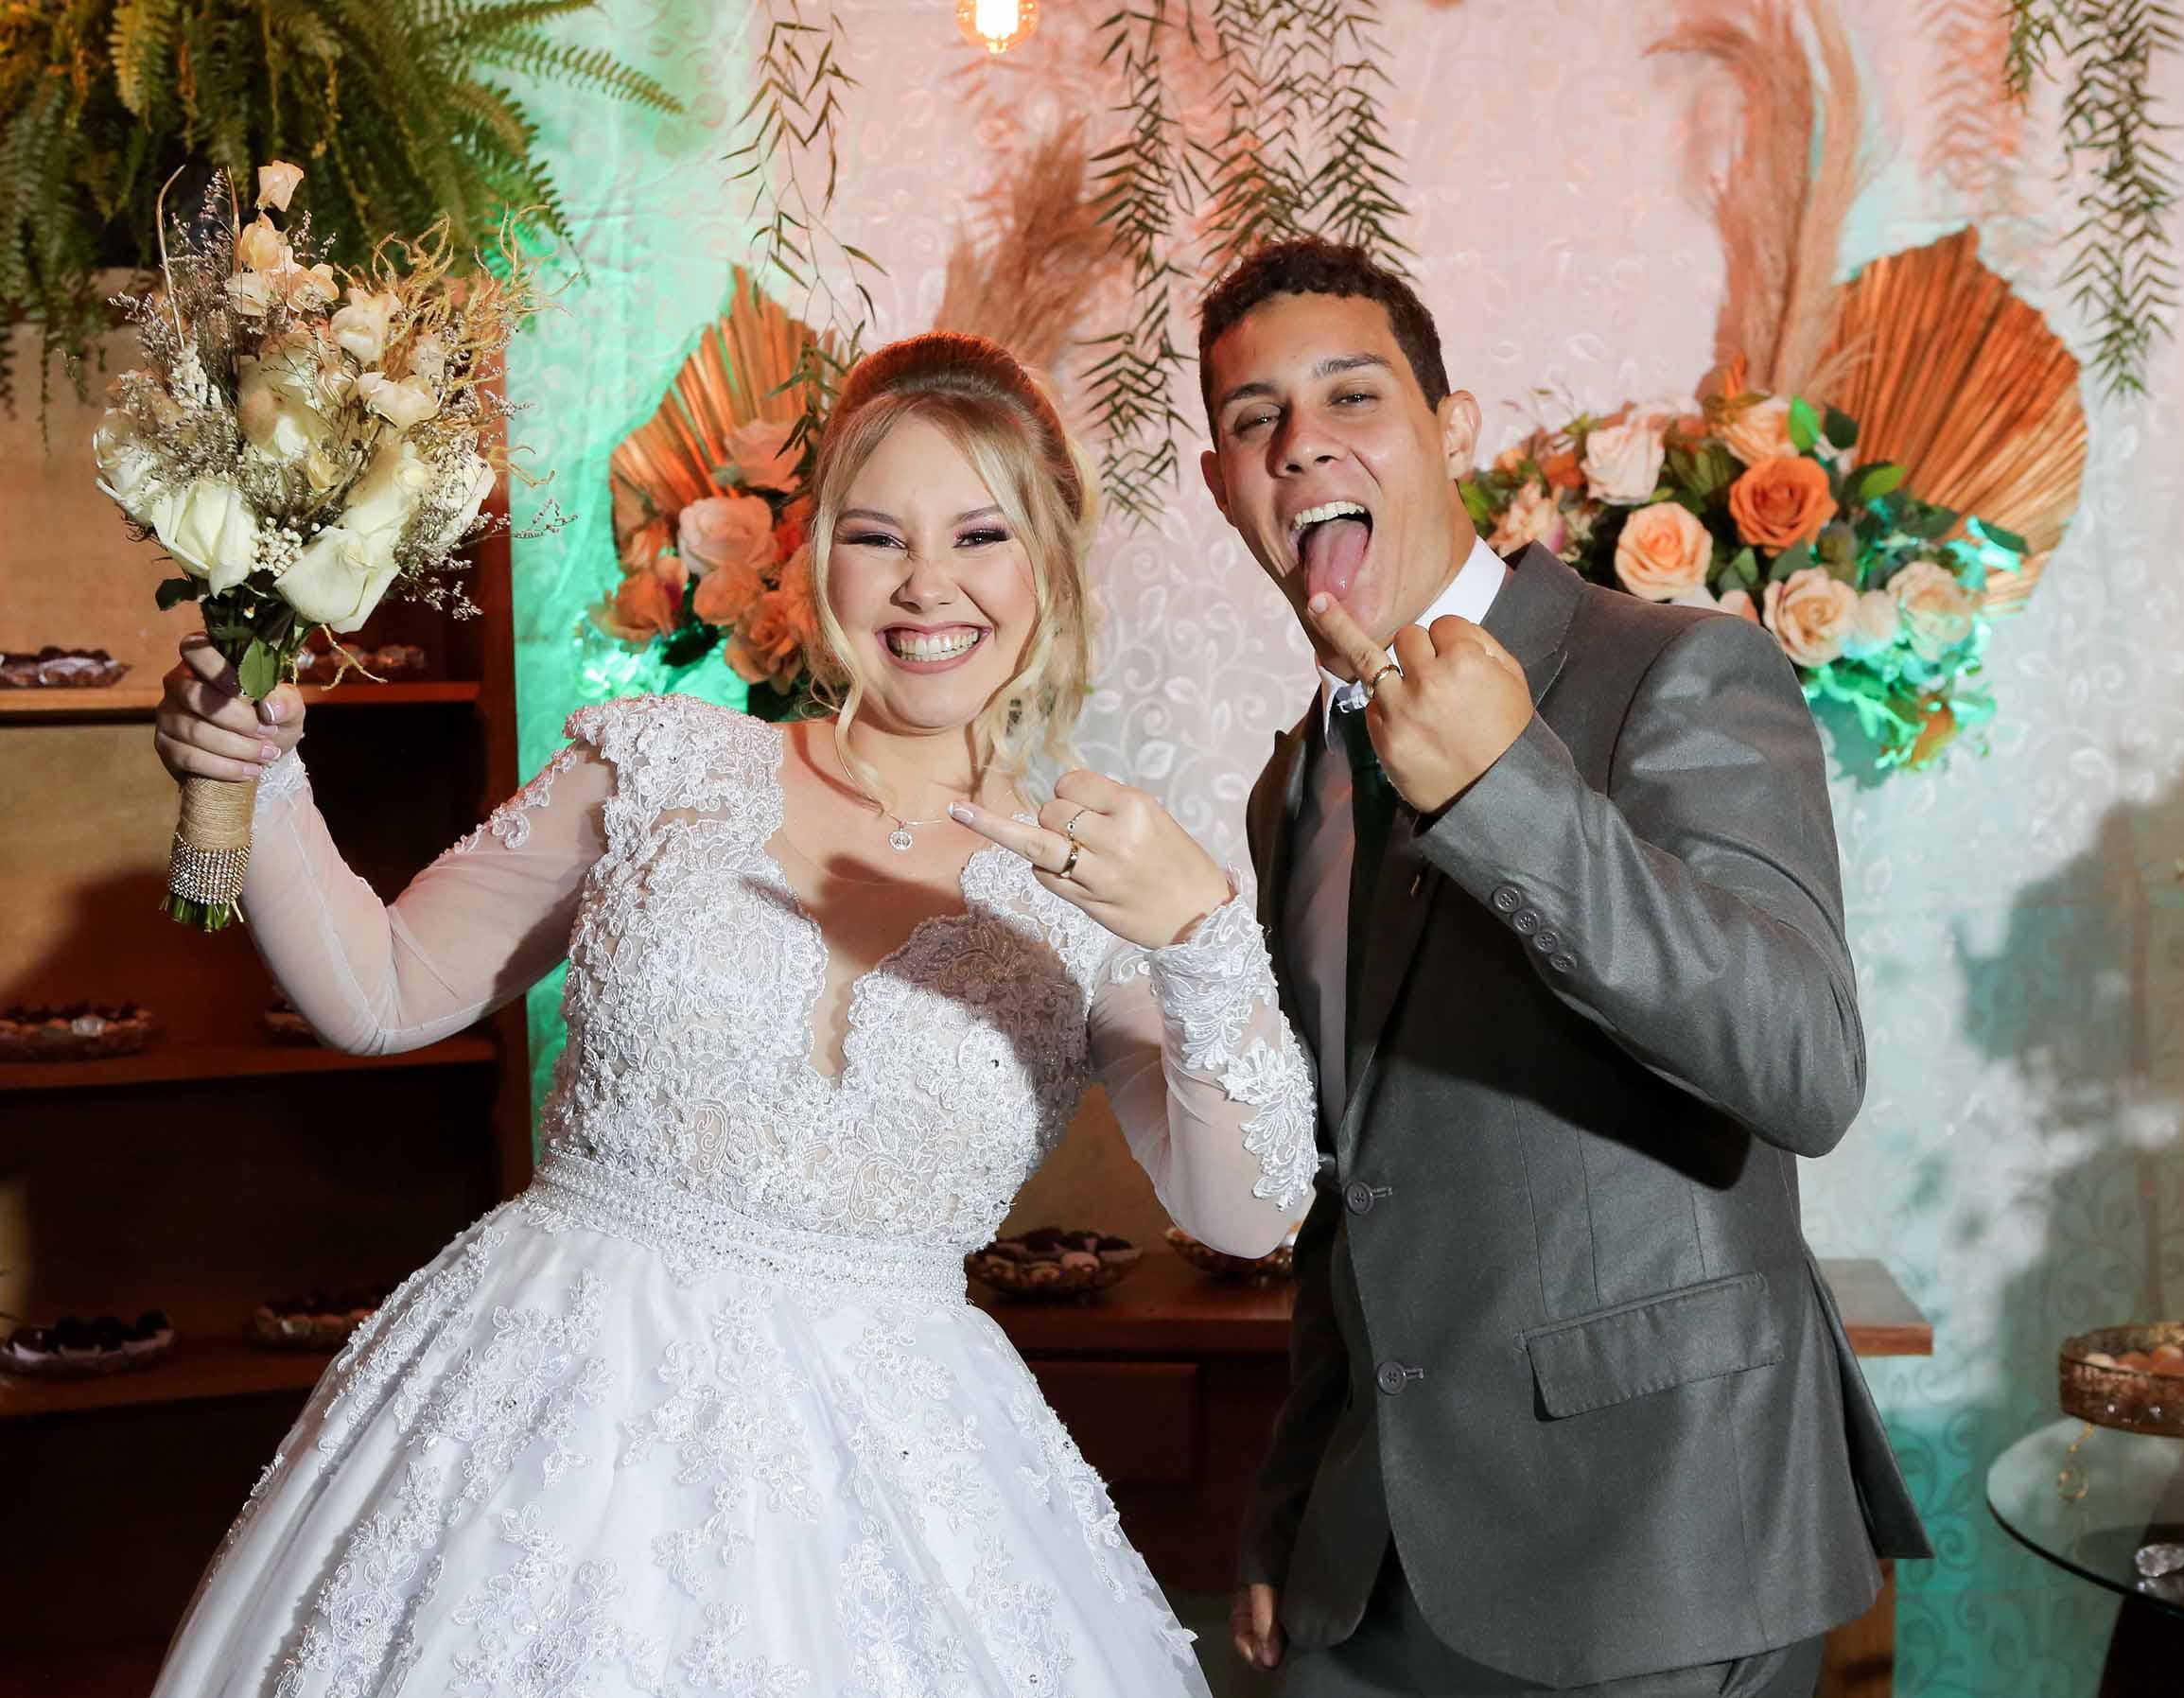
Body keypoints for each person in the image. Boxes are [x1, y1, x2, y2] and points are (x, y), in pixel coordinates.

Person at [145, 331, 1317, 1698]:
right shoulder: (658, 763)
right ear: (817, 560)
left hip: (892, 1483)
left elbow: (1248, 1218)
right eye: (877, 537)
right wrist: (255, 775)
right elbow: (384, 993)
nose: (926, 585)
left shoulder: (1092, 883)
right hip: (545, 1425)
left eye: (980, 535)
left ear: (1050, 562)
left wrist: (1201, 935)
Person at [1201, 239, 1931, 1698]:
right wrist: (1292, 1504)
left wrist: (1504, 795)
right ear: (1224, 483)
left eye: (1352, 394)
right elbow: (1356, 1185)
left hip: (1661, 1552)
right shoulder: (1294, 787)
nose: (1301, 444)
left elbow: (1804, 1063)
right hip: (1374, 1566)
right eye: (1252, 418)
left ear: (1451, 428)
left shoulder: (1675, 667)